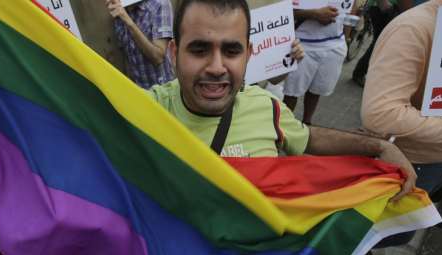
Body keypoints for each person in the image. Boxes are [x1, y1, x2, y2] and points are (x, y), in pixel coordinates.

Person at [148, 0, 415, 197]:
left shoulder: (267, 106)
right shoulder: (140, 110)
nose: (217, 67)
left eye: (231, 51)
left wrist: (378, 148)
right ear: (174, 52)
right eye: (199, 49)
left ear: (249, 54)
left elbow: (308, 137)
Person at [361, 0, 442, 255]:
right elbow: (380, 114)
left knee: (403, 229)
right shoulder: (414, 27)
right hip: (410, 165)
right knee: (383, 231)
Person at [281, 3, 357, 125]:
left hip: (334, 44)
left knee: (316, 90)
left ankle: (307, 124)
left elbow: (351, 9)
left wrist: (347, 39)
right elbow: (282, 11)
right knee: (291, 93)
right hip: (301, 44)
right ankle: (283, 128)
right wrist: (314, 14)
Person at [106, 0, 175, 89]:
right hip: (138, 91)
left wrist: (128, 21)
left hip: (163, 90)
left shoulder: (159, 4)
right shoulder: (119, 10)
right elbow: (126, 56)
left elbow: (158, 57)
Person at [352, 0, 405, 87]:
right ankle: (359, 73)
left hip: (391, 7)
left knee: (381, 43)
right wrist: (383, 3)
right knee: (380, 43)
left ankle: (360, 73)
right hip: (384, 7)